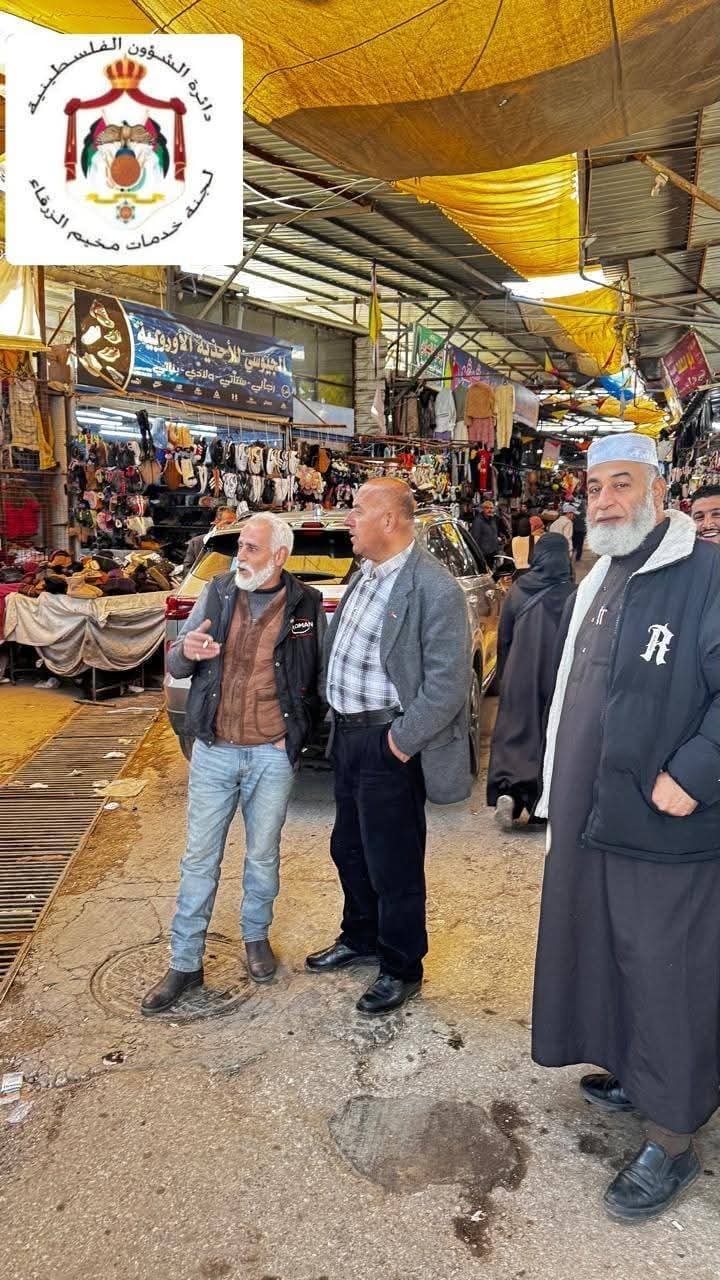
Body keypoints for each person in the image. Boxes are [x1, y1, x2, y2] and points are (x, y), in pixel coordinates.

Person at [532, 433, 720, 1222]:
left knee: (666, 968)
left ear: (659, 490)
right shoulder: (603, 573)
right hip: (591, 813)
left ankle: (674, 1136)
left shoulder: (706, 573)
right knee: (607, 946)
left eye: (621, 484)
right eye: (594, 488)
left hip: (663, 821)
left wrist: (697, 772)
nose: (604, 501)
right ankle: (637, 1073)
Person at [142, 513, 326, 1013]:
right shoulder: (219, 592)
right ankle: (185, 962)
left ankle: (255, 937)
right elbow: (177, 661)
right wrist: (188, 651)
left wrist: (298, 734)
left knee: (263, 855)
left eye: (251, 548)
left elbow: (319, 677)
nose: (240, 556)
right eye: (239, 546)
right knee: (199, 859)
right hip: (215, 751)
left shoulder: (307, 604)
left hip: (271, 752)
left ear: (280, 556)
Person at [307, 478, 472, 1016]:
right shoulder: (364, 575)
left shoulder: (434, 588)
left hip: (388, 741)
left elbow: (447, 685)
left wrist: (399, 744)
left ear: (390, 520)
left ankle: (401, 965)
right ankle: (360, 936)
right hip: (347, 735)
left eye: (357, 510)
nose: (347, 519)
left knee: (392, 861)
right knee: (348, 847)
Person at [487, 533, 574, 829]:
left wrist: (505, 676)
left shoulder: (519, 589)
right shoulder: (574, 594)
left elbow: (504, 637)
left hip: (519, 674)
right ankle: (541, 804)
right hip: (559, 677)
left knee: (515, 732)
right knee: (552, 735)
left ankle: (509, 791)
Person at [182, 506, 237, 575]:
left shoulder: (239, 543)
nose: (232, 526)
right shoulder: (196, 543)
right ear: (216, 522)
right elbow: (187, 571)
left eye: (235, 523)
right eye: (228, 523)